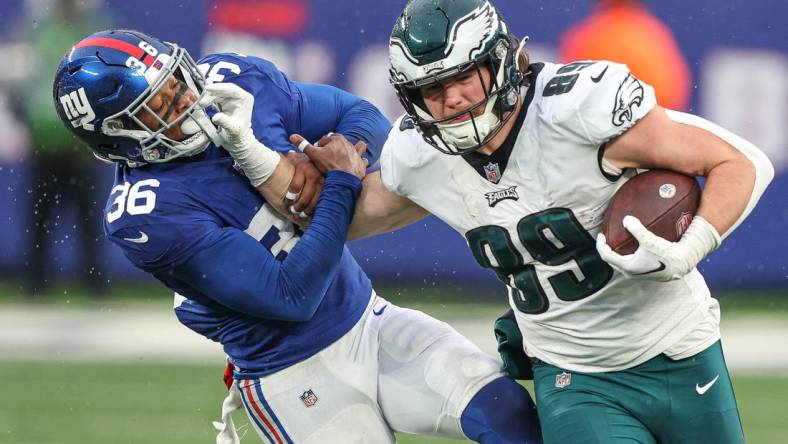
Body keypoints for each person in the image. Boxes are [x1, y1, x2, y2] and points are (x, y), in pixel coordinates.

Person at [245, 0, 773, 442]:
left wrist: (694, 243)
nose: (450, 99)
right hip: (575, 375)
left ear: (497, 63)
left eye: (460, 79)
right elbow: (342, 221)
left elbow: (741, 162)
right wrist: (256, 160)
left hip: (680, 345)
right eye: (432, 90)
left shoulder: (576, 111)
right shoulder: (425, 157)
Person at [52, 29, 541, 444]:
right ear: (118, 134)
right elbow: (292, 295)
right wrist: (342, 182)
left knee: (508, 414)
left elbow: (363, 117)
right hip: (293, 372)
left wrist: (338, 154)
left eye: (178, 81)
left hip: (368, 318)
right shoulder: (148, 214)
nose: (188, 99)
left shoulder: (232, 80)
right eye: (160, 104)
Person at [19, 0, 112, 296]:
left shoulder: (94, 30)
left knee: (87, 219)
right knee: (40, 219)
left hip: (80, 145)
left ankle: (94, 283)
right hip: (45, 141)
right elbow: (23, 80)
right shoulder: (38, 30)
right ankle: (36, 282)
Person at [557, 0, 692, 111]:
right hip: (646, 129)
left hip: (597, 131)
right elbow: (670, 94)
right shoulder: (651, 33)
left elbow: (568, 97)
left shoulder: (585, 35)